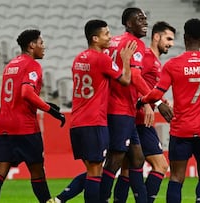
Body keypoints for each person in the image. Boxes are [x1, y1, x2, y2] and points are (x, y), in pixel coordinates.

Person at [137, 18, 200, 203]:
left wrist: (142, 100)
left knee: (176, 176)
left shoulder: (173, 65)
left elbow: (156, 93)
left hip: (181, 129)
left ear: (185, 37)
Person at [53, 19, 137, 203]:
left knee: (94, 170)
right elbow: (125, 80)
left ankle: (59, 199)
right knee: (94, 173)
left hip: (77, 122)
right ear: (95, 38)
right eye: (106, 34)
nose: (110, 37)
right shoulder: (102, 59)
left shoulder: (78, 58)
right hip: (94, 122)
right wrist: (126, 60)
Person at [101, 7, 173, 203]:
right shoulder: (135, 44)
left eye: (145, 18)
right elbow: (136, 76)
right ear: (128, 23)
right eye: (139, 19)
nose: (145, 22)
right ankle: (101, 198)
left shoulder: (112, 42)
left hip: (119, 107)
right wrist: (154, 101)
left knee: (135, 159)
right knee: (115, 160)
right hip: (121, 108)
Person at [0, 29, 65, 203]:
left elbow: (18, 94)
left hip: (3, 126)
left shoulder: (10, 65)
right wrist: (50, 111)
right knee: (37, 171)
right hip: (25, 127)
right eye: (41, 43)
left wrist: (44, 103)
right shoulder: (32, 65)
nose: (44, 47)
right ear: (31, 45)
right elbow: (26, 93)